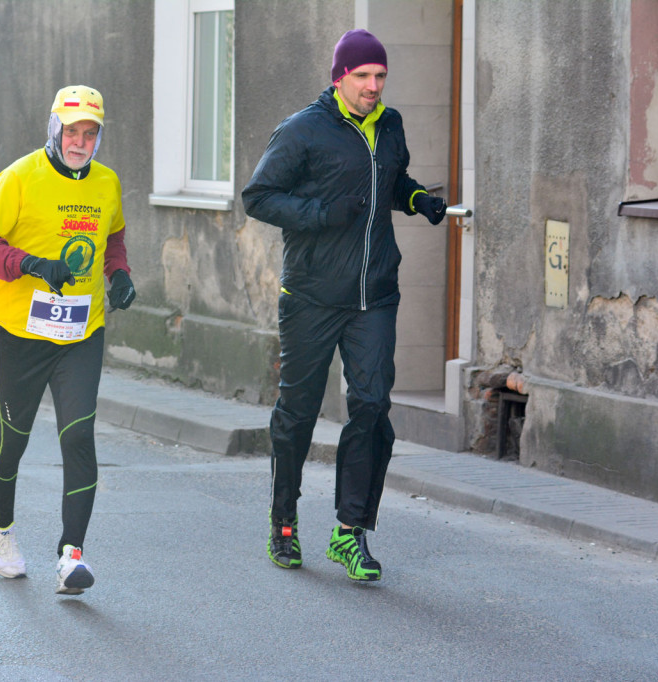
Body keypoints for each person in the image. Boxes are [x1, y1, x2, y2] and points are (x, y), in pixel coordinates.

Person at [242, 29, 446, 581]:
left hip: (374, 295)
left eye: (380, 76)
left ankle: (349, 531)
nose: (373, 86)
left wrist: (416, 198)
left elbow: (390, 181)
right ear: (340, 78)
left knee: (373, 407)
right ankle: (283, 522)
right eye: (363, 77)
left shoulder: (390, 125)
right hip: (311, 295)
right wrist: (321, 215)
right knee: (298, 413)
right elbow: (258, 197)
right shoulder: (303, 129)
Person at [0, 85, 135, 595]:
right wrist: (32, 264)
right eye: (72, 131)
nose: (81, 142)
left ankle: (71, 553)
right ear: (55, 129)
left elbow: (113, 237)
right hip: (22, 333)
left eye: (90, 133)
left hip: (81, 332)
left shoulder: (106, 182)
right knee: (13, 439)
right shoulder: (18, 177)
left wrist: (119, 274)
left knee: (78, 436)